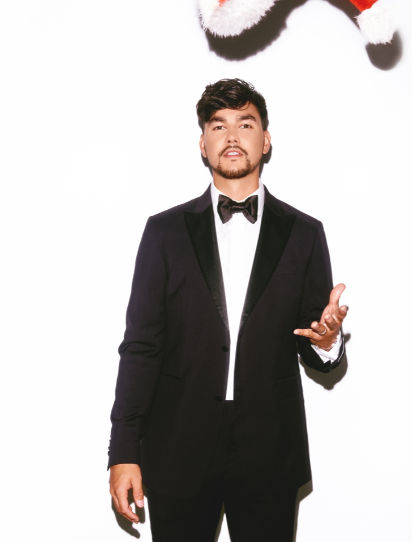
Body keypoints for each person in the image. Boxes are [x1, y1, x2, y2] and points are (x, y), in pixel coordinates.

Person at [107, 78, 350, 541]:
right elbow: (140, 348)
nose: (233, 136)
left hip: (270, 452)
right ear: (203, 143)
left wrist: (328, 340)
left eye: (246, 123)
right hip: (177, 448)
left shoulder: (304, 234)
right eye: (218, 125)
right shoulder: (163, 233)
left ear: (267, 139)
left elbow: (316, 340)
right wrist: (123, 451)